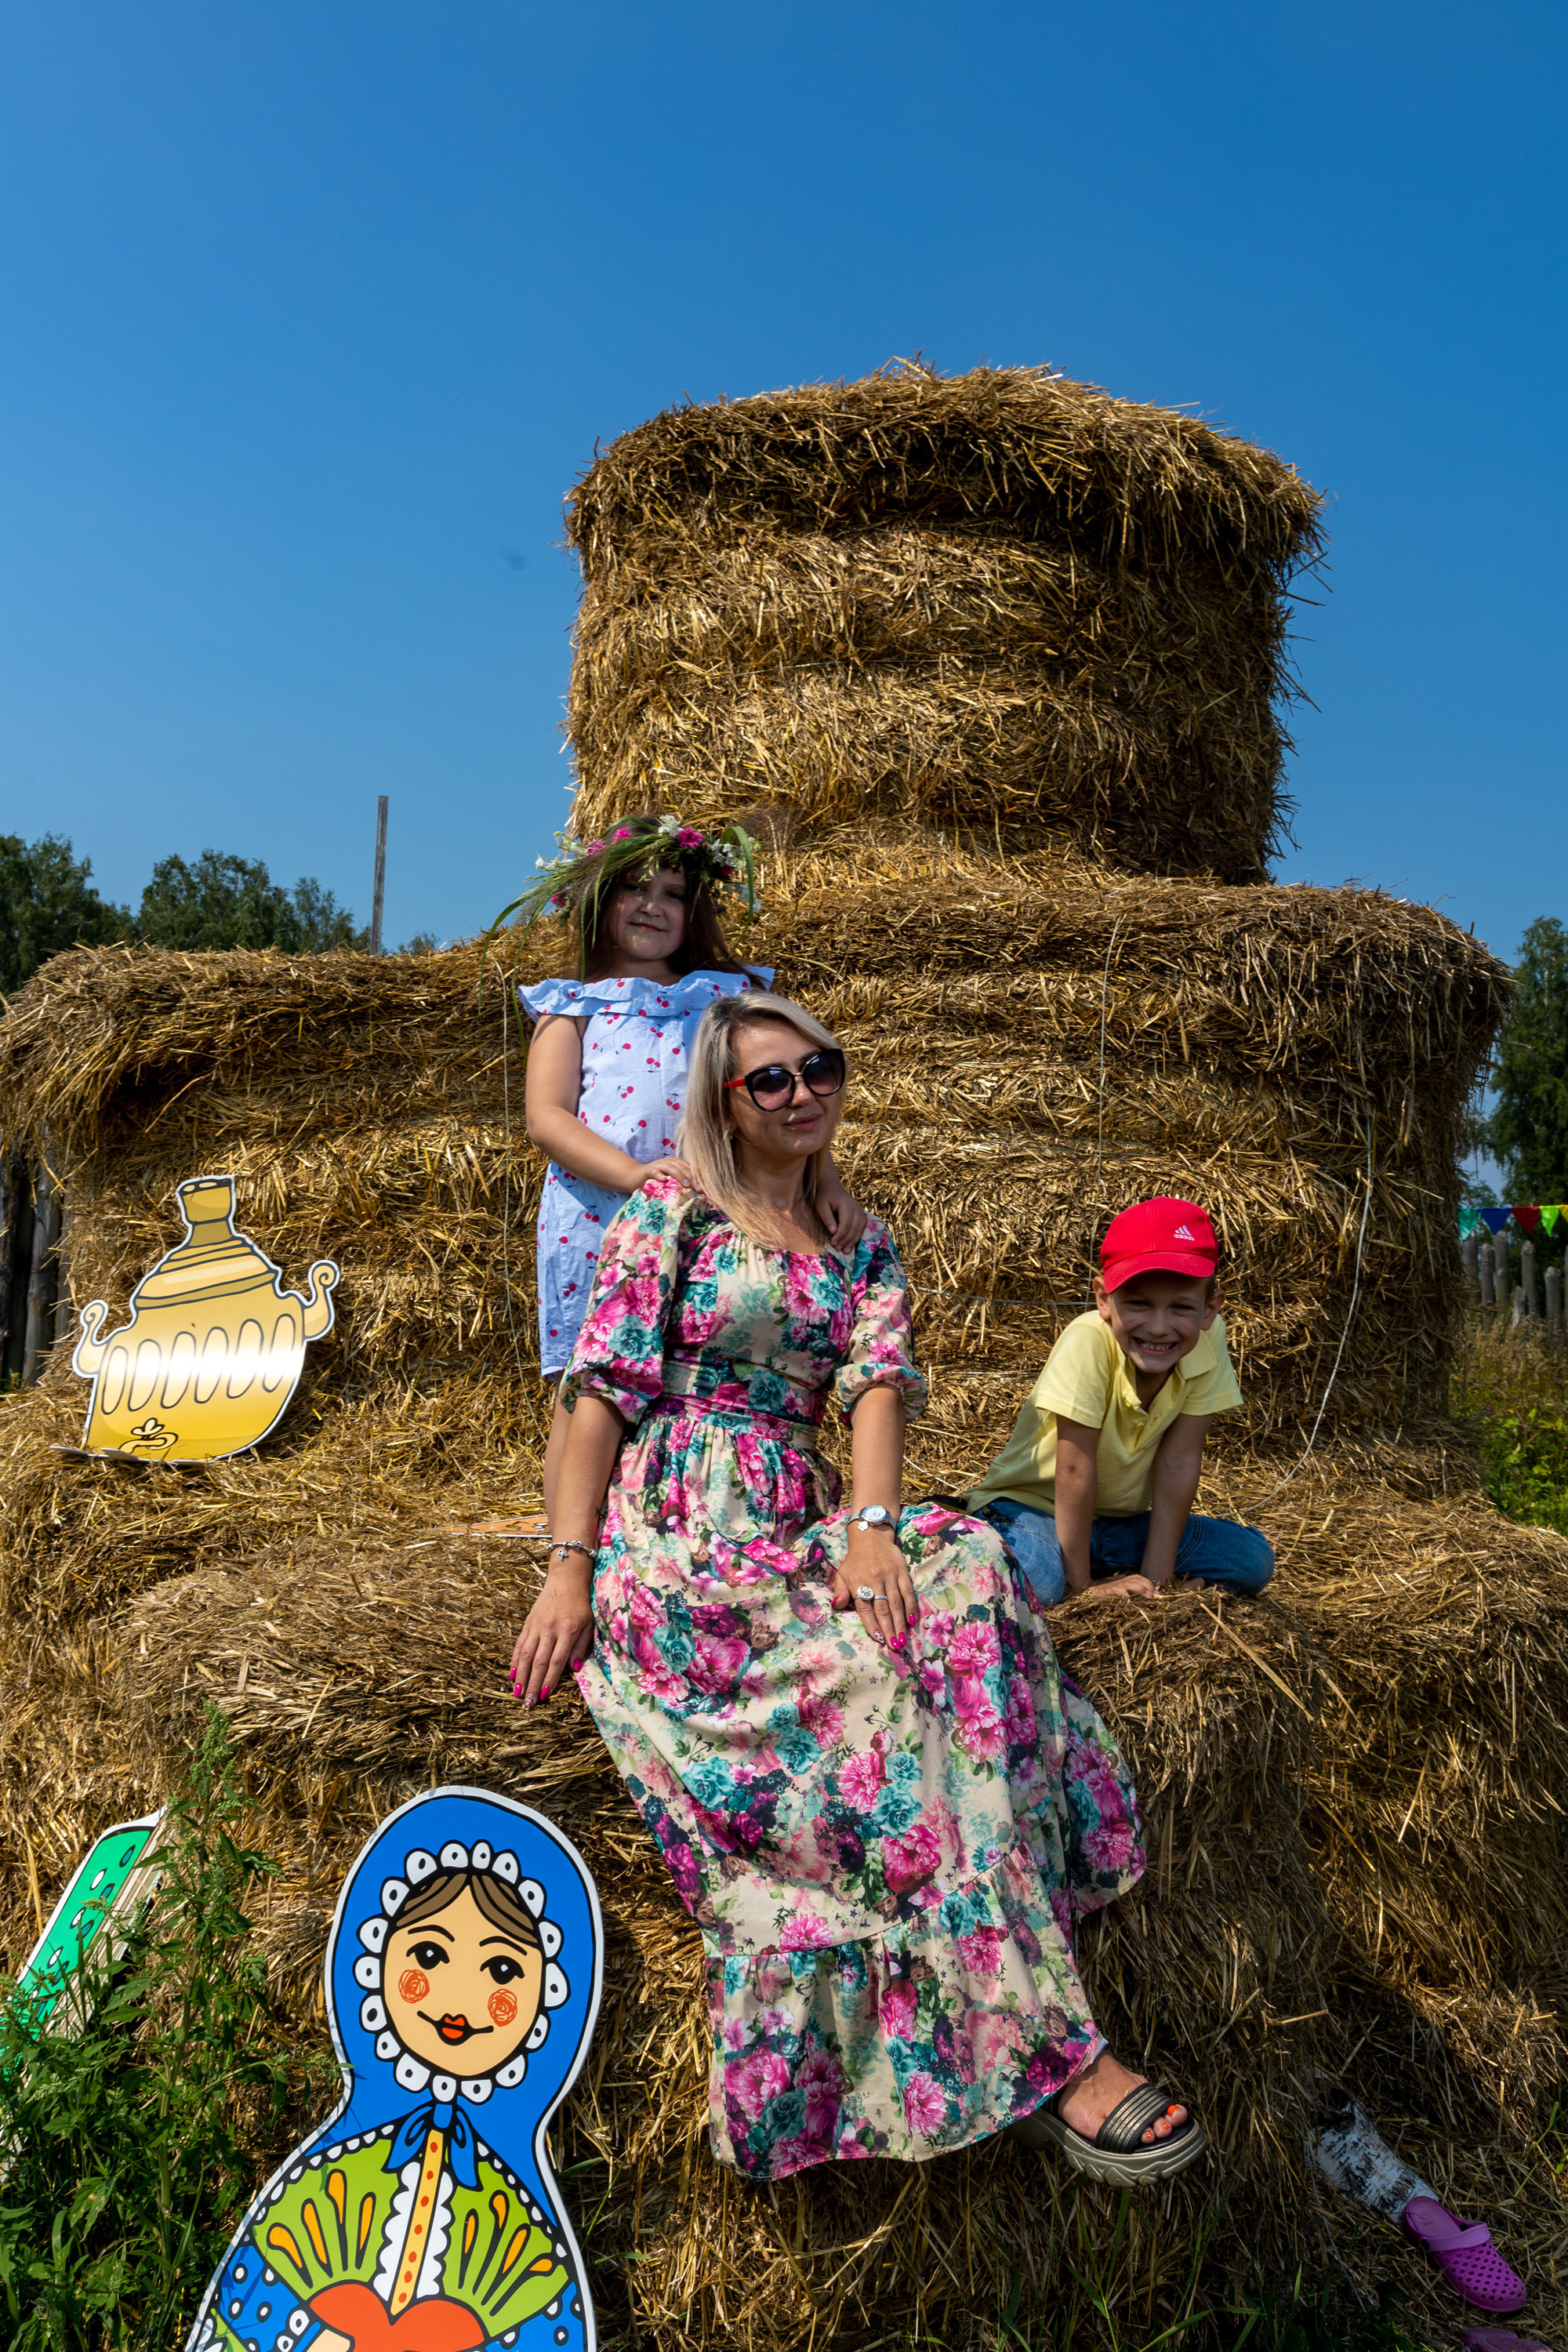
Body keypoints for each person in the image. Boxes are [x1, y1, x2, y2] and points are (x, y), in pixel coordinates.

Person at [508, 993, 1204, 2189]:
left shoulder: (860, 1240)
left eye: (818, 1068)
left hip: (797, 1513)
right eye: (769, 1080)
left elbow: (877, 1387)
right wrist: (568, 1568)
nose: (802, 1094)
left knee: (971, 1564)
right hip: (680, 1535)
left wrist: (873, 1531)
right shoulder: (672, 1208)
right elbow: (599, 1394)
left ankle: (1006, 1948)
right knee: (879, 1694)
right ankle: (1058, 2054)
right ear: (725, 1101)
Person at [511, 815, 865, 1521]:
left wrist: (827, 1181)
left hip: (712, 1218)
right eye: (634, 889)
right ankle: (571, 1545)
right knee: (589, 1388)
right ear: (596, 900)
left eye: (672, 894)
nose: (652, 906)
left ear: (694, 910)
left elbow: (788, 1098)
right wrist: (633, 1176)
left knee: (684, 1379)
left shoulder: (720, 1000)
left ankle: (668, 1523)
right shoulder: (572, 1007)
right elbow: (546, 1118)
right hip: (601, 1216)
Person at [189, 1790, 597, 2352]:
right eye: (429, 1956)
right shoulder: (324, 2175)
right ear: (373, 1960)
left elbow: (542, 2331)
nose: (460, 2000)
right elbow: (249, 2313)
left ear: (550, 1998)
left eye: (502, 1969)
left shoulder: (528, 2236)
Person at [967, 1197, 1274, 1608]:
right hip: (1032, 1512)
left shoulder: (1210, 1337)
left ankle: (1102, 1571)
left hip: (1118, 1525)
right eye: (1139, 1303)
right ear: (1104, 1298)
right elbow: (1074, 1468)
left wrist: (1157, 1582)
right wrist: (1083, 1586)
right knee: (1039, 1579)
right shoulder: (1088, 1339)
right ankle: (1067, 1571)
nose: (1159, 1327)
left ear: (1209, 1309)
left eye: (1181, 1307)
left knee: (1250, 1559)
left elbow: (1179, 1461)